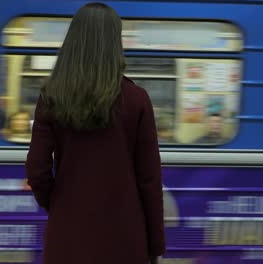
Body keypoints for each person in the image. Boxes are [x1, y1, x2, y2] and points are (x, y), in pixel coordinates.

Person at [25, 3, 165, 264]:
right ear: (115, 42)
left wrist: (59, 205)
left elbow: (36, 170)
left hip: (66, 239)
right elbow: (149, 180)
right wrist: (154, 245)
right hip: (125, 240)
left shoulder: (51, 96)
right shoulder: (137, 99)